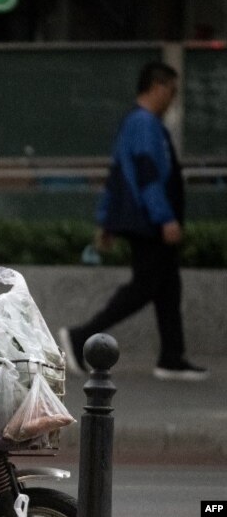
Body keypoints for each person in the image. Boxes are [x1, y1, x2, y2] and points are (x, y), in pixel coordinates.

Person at [59, 62, 207, 382]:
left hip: (143, 219)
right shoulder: (144, 124)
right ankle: (79, 337)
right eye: (172, 90)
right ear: (158, 87)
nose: (174, 98)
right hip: (149, 221)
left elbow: (117, 176)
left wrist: (107, 222)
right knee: (144, 287)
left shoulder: (137, 122)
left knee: (168, 287)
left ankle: (172, 356)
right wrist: (165, 217)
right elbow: (147, 174)